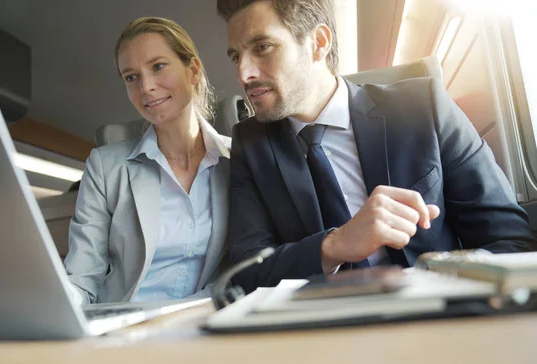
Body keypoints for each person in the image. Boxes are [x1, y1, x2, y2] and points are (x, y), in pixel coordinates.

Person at [216, 0, 537, 293]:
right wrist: (334, 245)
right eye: (235, 56)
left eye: (262, 47)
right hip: (325, 330)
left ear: (318, 43)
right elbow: (247, 272)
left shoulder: (424, 107)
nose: (244, 73)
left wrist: (446, 289)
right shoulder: (251, 143)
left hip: (440, 308)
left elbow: (509, 240)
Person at [64, 17, 231, 304]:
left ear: (192, 71)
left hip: (204, 326)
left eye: (157, 66)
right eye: (131, 77)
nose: (146, 86)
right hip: (124, 329)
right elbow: (81, 277)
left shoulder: (238, 160)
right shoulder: (106, 167)